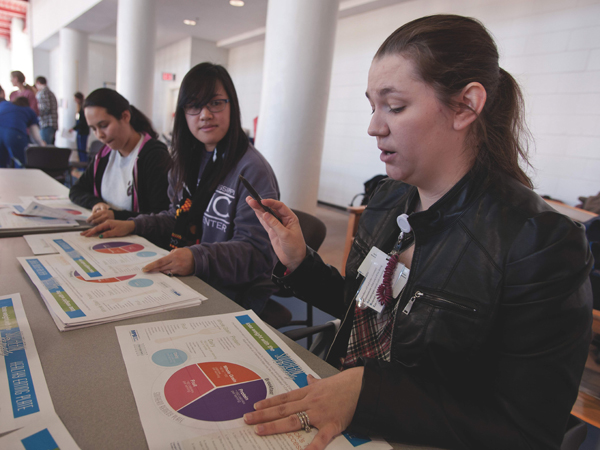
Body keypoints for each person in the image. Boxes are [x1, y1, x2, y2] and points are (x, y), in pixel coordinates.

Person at [243, 15, 593, 450]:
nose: (374, 126)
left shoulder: (537, 242)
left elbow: (526, 431)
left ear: (465, 106)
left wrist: (368, 393)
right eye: (372, 106)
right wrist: (300, 263)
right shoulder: (389, 201)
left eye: (395, 106)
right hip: (343, 416)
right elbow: (369, 312)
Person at [82, 63, 280, 314]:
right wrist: (133, 224)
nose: (205, 114)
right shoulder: (185, 162)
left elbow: (257, 253)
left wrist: (197, 258)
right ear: (183, 113)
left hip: (232, 291)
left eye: (216, 103)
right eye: (194, 106)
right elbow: (177, 218)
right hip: (189, 278)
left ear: (232, 106)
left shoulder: (252, 170)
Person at [69, 88, 171, 224]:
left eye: (104, 125)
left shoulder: (154, 156)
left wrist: (115, 216)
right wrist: (96, 203)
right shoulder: (104, 155)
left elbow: (160, 217)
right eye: (93, 129)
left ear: (125, 117)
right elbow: (76, 190)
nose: (99, 135)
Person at [0, 89, 45, 167]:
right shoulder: (29, 111)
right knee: (20, 161)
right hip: (14, 134)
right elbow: (35, 135)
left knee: (2, 164)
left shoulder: (4, 105)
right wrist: (42, 145)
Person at [34, 76, 58, 145]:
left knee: (45, 148)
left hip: (46, 124)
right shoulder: (50, 92)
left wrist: (36, 112)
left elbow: (46, 108)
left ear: (38, 83)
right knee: (50, 147)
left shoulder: (43, 92)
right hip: (51, 124)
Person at [70, 92, 90, 162]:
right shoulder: (79, 107)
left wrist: (74, 128)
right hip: (80, 131)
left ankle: (83, 165)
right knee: (80, 149)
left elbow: (83, 122)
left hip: (83, 131)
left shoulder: (83, 108)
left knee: (82, 149)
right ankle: (81, 165)